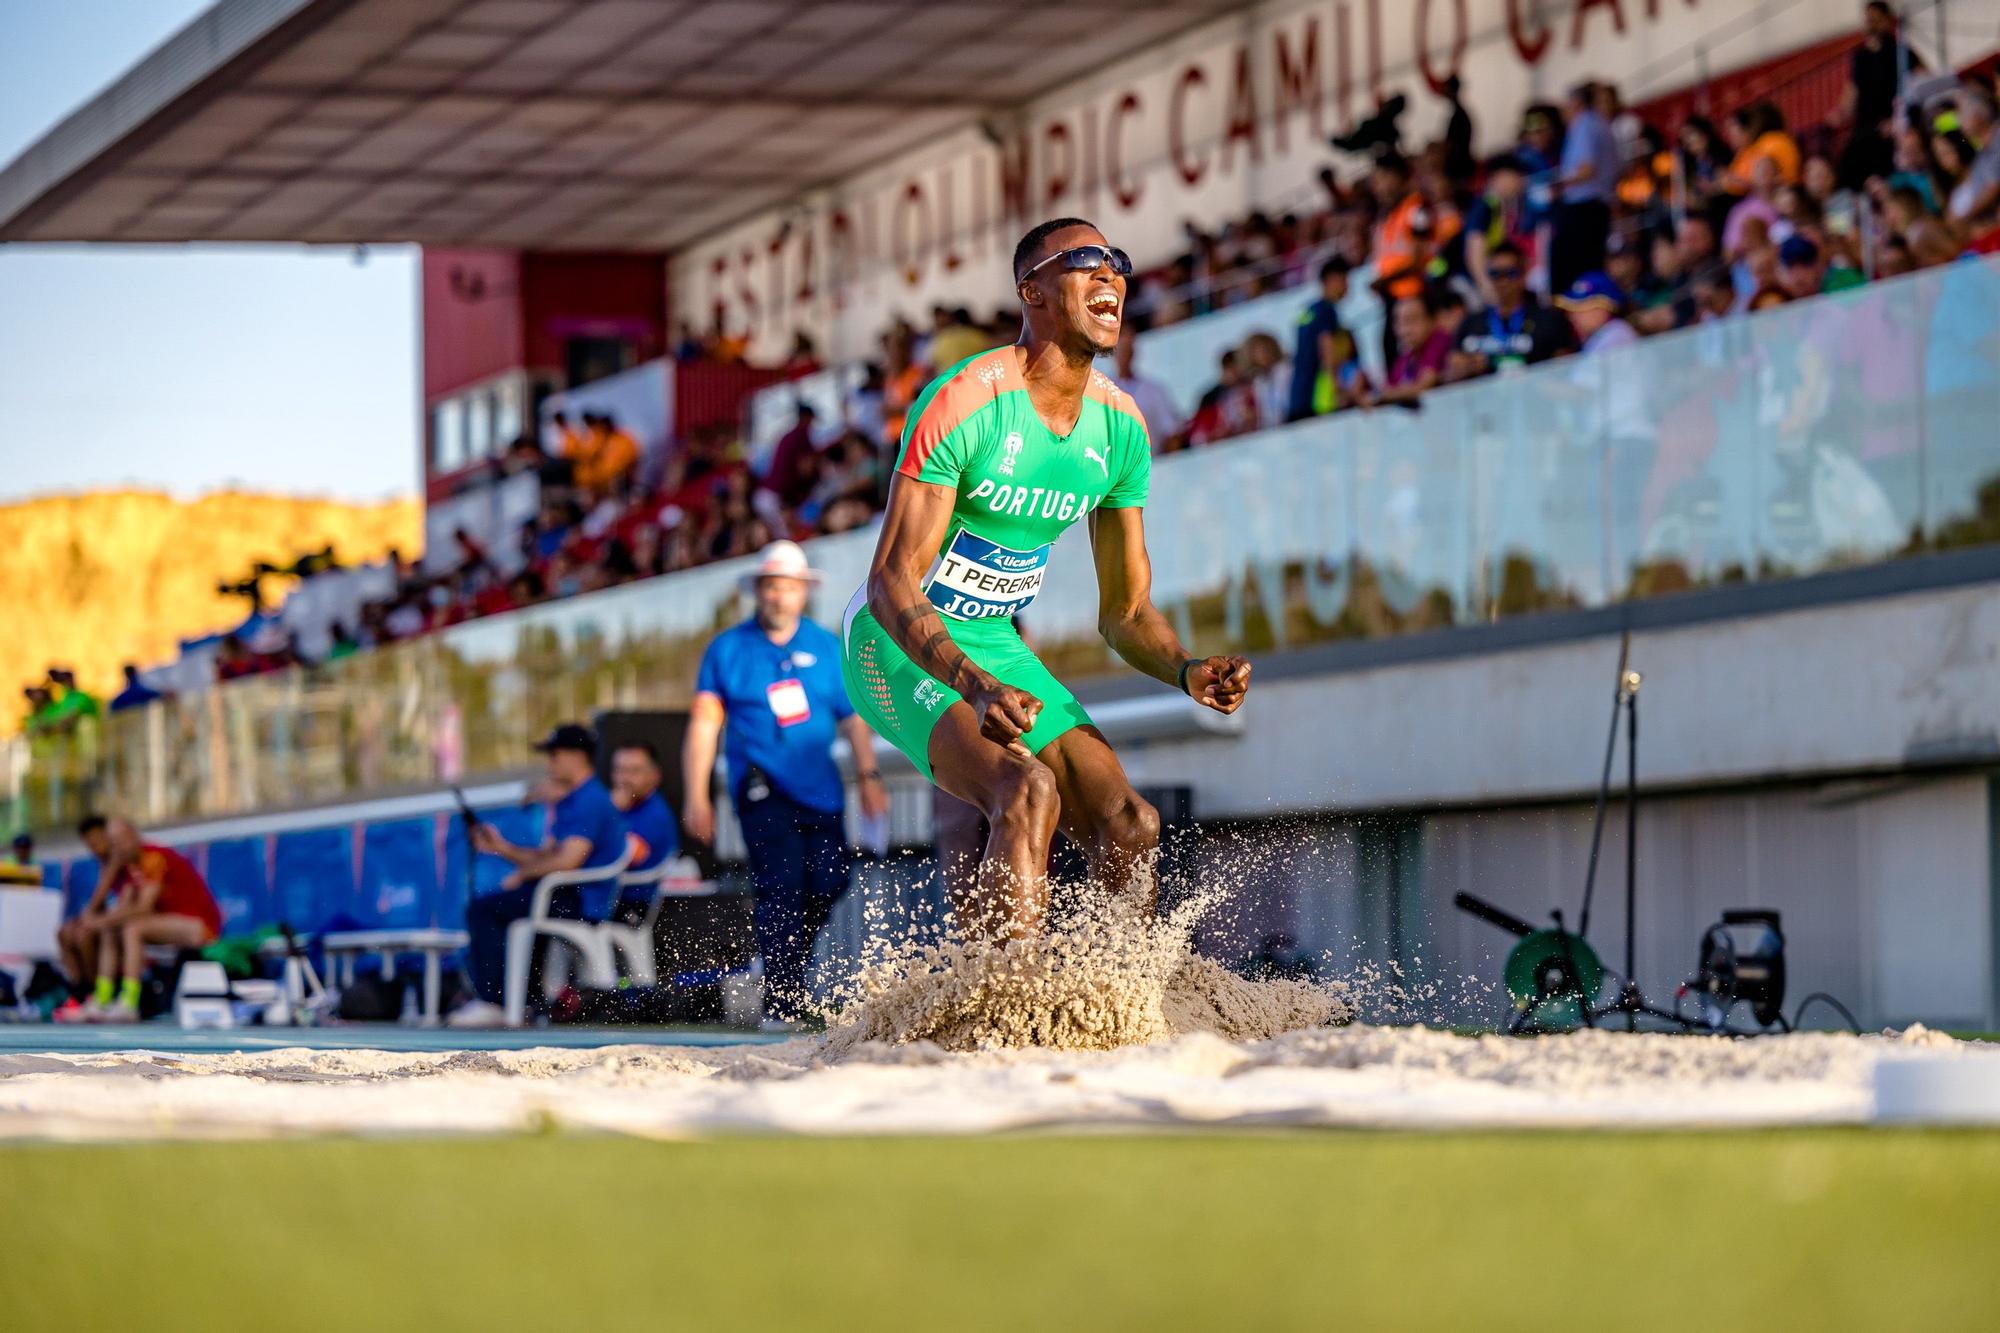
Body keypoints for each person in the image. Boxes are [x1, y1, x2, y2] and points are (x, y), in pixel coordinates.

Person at [838, 216, 1252, 942]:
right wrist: (972, 682)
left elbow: (1125, 613)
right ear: (1032, 290)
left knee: (1130, 821)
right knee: (1025, 791)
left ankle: (1128, 1009)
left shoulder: (1121, 427)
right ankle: (1005, 1005)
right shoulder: (967, 400)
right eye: (1086, 260)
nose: (1111, 275)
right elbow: (891, 580)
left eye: (1117, 262)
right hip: (896, 640)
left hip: (993, 642)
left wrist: (1186, 669)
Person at [683, 540, 889, 1028]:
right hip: (760, 787)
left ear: (803, 592)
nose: (779, 596)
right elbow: (704, 725)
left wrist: (870, 776)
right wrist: (696, 794)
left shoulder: (824, 645)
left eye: (788, 588)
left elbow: (854, 720)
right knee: (782, 887)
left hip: (821, 788)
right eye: (771, 587)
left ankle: (777, 961)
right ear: (758, 591)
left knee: (831, 880)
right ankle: (783, 1001)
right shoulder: (728, 649)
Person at [455, 723, 629, 1025]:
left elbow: (568, 862)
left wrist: (523, 875)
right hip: (564, 892)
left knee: (485, 910)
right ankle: (522, 1002)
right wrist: (501, 848)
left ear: (577, 756)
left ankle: (495, 1002)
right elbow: (548, 856)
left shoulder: (589, 800)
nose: (550, 763)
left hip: (581, 899)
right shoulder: (574, 800)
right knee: (505, 906)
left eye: (554, 755)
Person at [56, 815, 221, 1023]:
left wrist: (97, 921)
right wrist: (99, 922)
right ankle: (102, 998)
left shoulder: (153, 857)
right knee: (111, 929)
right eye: (114, 844)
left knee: (133, 928)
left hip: (200, 926)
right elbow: (122, 909)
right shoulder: (130, 867)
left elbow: (143, 908)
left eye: (121, 841)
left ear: (134, 836)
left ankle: (130, 1002)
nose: (118, 848)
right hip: (168, 922)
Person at [1448, 241, 1574, 380]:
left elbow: (1566, 373)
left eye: (1511, 273)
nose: (1503, 281)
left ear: (1524, 274)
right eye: (1495, 274)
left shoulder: (1549, 319)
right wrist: (1467, 368)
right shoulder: (1470, 324)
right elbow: (1451, 376)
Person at [1552, 81, 1622, 294]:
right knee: (1592, 264)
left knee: (1572, 269)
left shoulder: (1584, 124)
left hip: (1583, 208)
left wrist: (1558, 185)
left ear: (1576, 103)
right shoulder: (1602, 124)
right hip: (1599, 207)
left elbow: (1585, 169)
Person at [1287, 257, 1352, 420]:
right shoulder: (1327, 310)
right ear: (1331, 280)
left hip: (1298, 394)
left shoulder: (1309, 311)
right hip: (1316, 397)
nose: (1348, 286)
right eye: (1345, 280)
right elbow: (1327, 348)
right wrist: (1338, 387)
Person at [1108, 326, 1184, 450]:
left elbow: (1172, 432)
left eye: (1127, 351)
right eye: (1121, 351)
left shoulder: (1154, 391)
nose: (1124, 357)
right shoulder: (1101, 393)